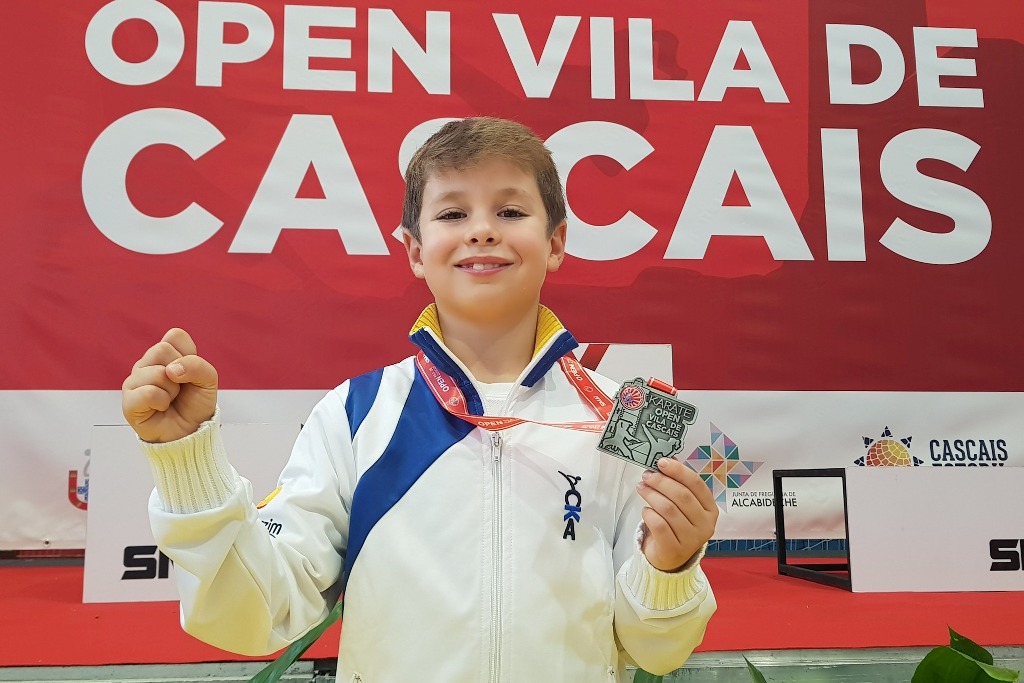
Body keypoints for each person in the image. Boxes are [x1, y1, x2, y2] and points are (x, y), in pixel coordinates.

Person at [121, 117, 718, 682]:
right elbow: (253, 614)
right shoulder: (355, 413)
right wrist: (188, 466)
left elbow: (655, 649)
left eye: (510, 210)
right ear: (413, 248)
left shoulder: (635, 416)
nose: (482, 230)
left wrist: (670, 568)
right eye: (454, 212)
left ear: (556, 241)